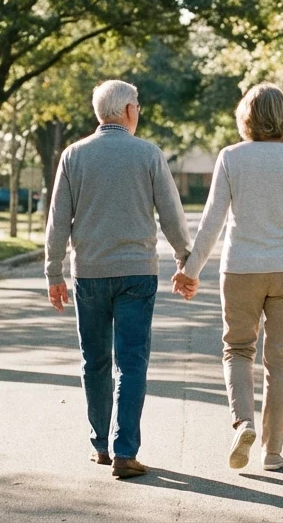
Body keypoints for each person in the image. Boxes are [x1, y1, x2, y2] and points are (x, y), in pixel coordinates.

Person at [174, 83, 283, 472]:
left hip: (241, 268)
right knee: (280, 362)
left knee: (238, 349)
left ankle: (243, 422)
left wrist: (189, 270)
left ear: (245, 116)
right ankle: (273, 453)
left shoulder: (231, 157)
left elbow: (213, 221)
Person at [44, 80, 192, 480]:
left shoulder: (73, 155)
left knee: (94, 361)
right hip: (137, 274)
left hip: (89, 273)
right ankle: (125, 450)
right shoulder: (148, 154)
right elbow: (171, 214)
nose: (138, 113)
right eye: (138, 107)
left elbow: (59, 220)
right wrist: (185, 259)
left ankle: (100, 446)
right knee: (131, 362)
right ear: (128, 111)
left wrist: (54, 271)